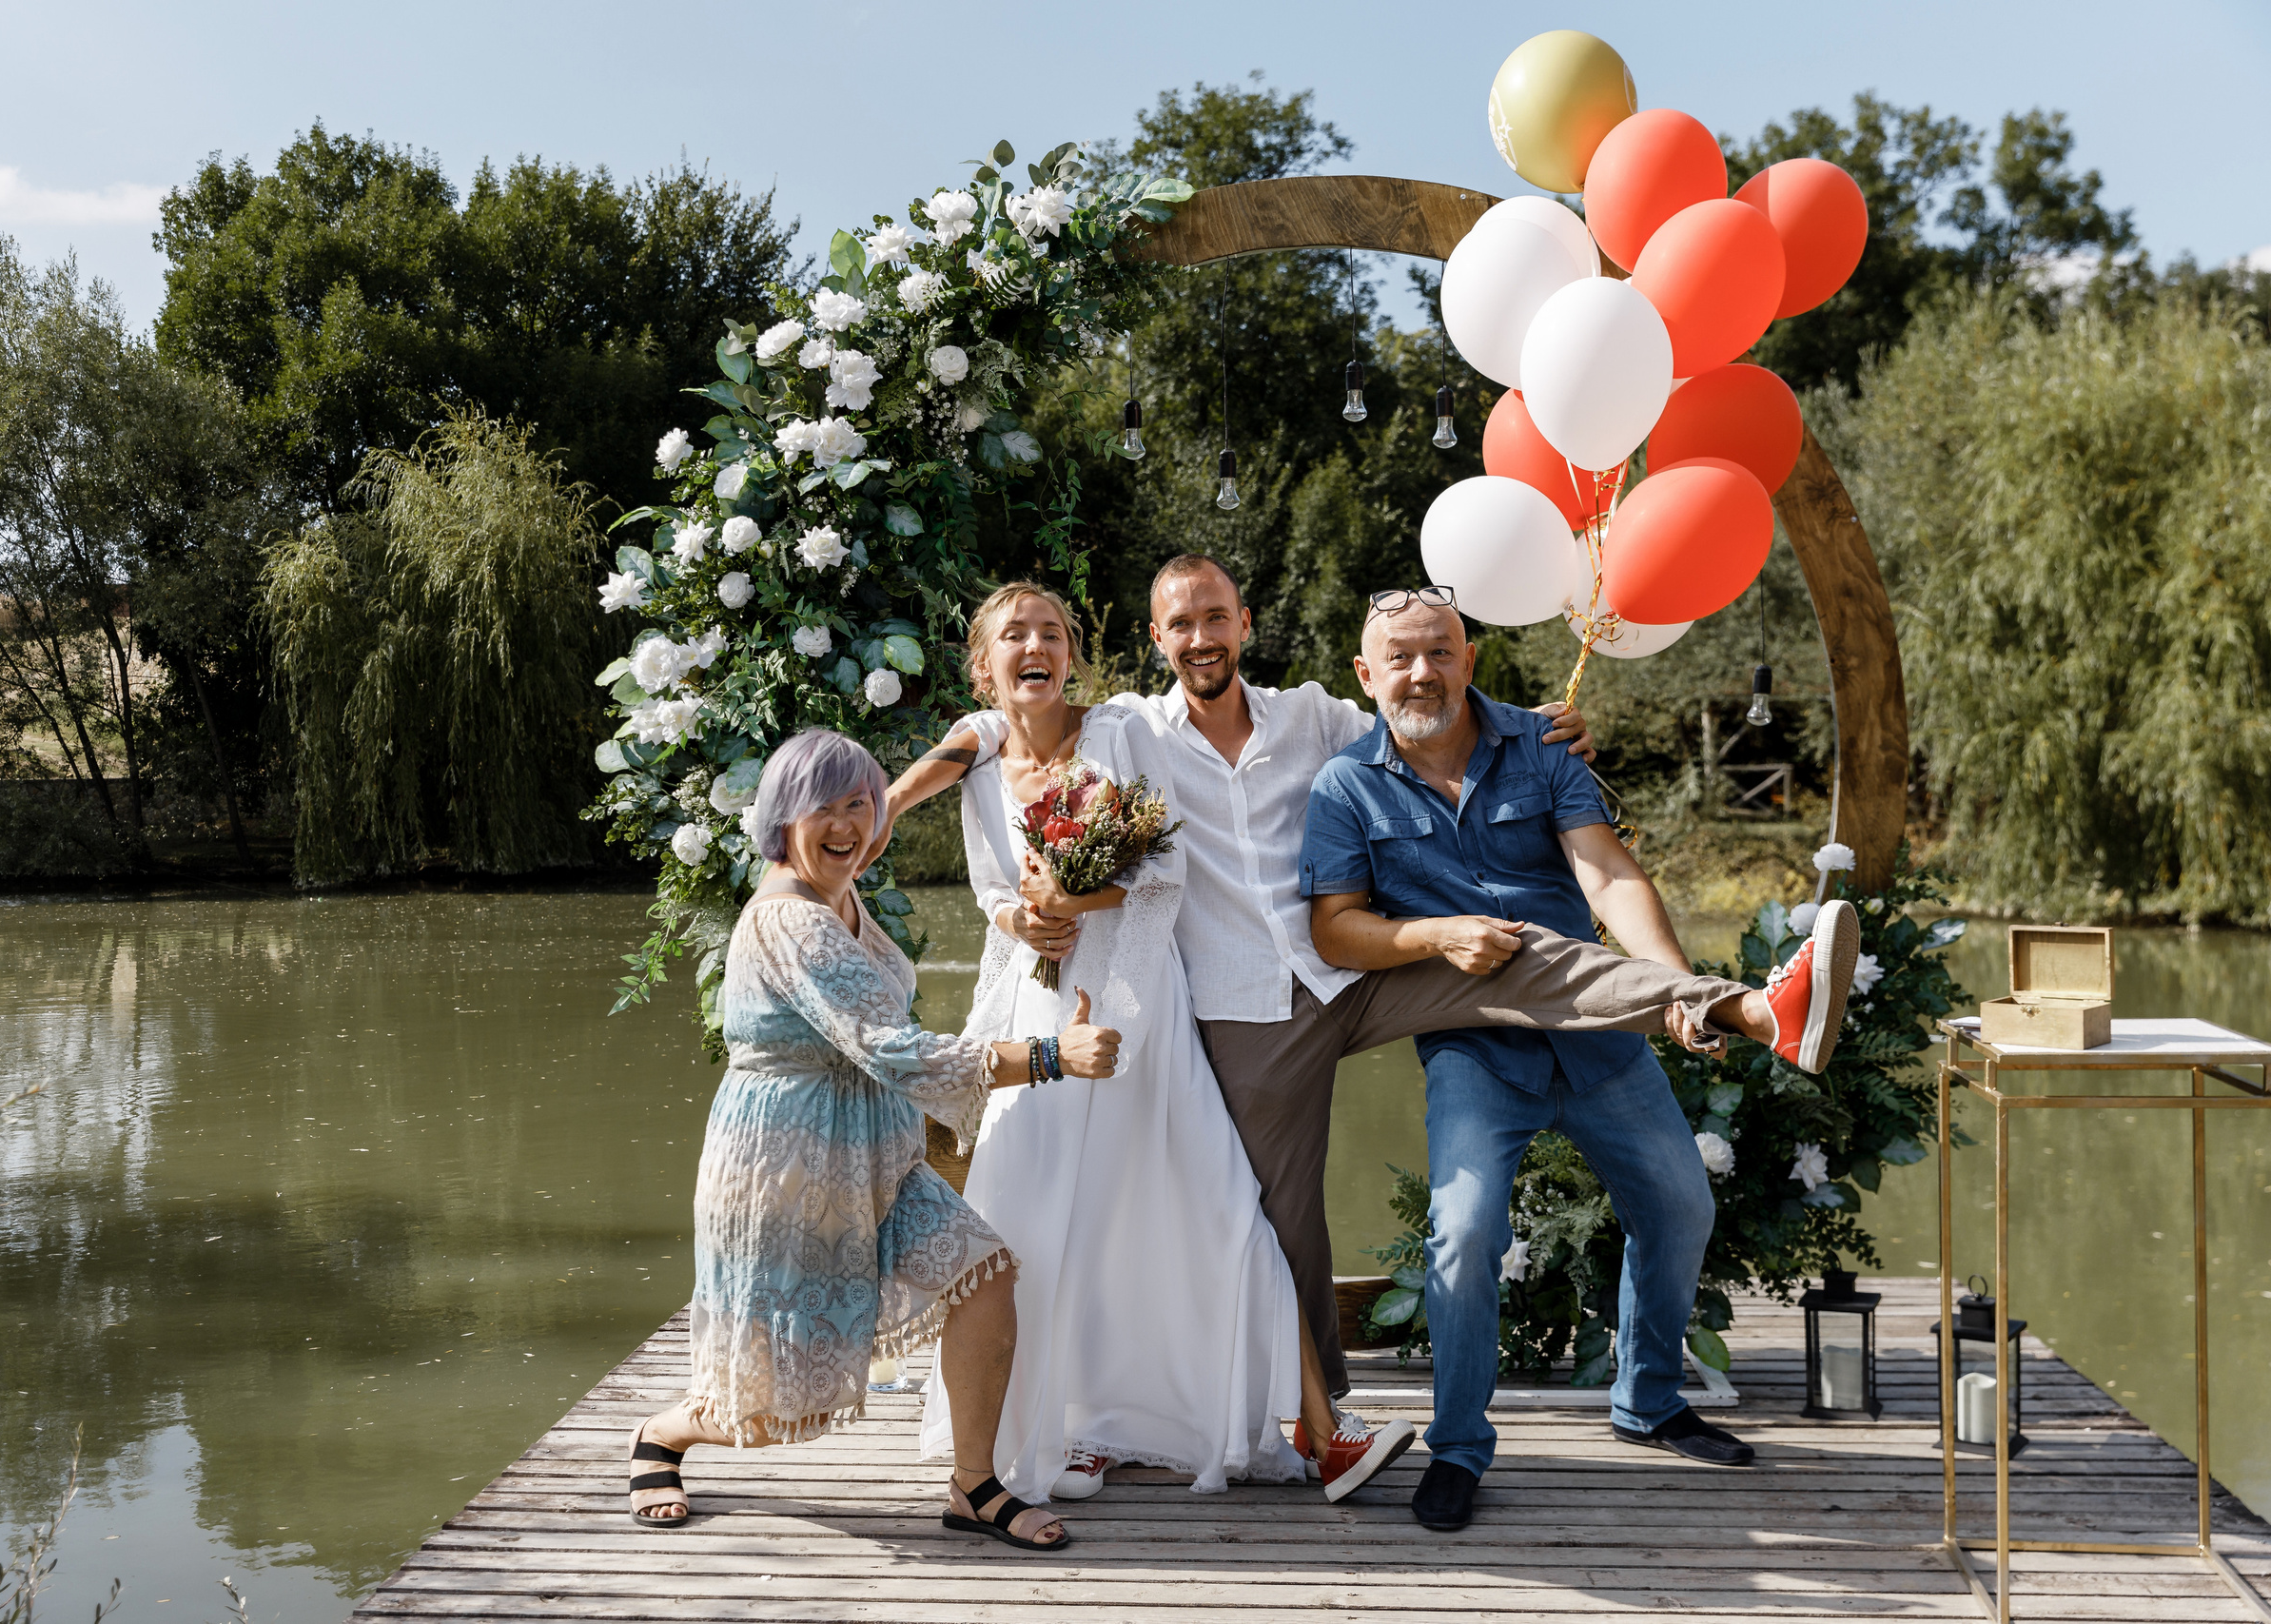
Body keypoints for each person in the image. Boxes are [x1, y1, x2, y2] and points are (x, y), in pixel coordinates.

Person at [896, 554, 1854, 1520]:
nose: (1200, 638)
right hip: (1243, 1005)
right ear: (1156, 641)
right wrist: (904, 809)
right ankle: (1330, 1428)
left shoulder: (1317, 717)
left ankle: (1732, 1006)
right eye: (1180, 625)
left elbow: (1429, 706)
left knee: (1523, 958)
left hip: (1358, 968)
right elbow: (995, 731)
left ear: (1245, 621)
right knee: (1276, 1218)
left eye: (1216, 617)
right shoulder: (1132, 731)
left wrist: (1539, 727)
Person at [1302, 587, 1860, 1531]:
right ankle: (1458, 1445)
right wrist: (1435, 935)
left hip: (1596, 1032)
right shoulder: (1343, 786)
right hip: (1477, 1048)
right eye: (1398, 657)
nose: (1419, 672)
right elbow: (1335, 931)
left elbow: (1607, 874)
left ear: (1468, 657)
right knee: (1465, 1234)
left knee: (1681, 1205)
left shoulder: (1539, 744)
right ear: (1365, 675)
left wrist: (1671, 993)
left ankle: (1647, 1400)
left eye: (1438, 651)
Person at [895, 583, 1361, 1505]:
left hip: (1143, 1005)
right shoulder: (979, 755)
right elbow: (990, 885)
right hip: (1041, 1018)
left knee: (1216, 1206)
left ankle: (1317, 1424)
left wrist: (1073, 899)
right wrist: (1021, 921)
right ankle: (1049, 1425)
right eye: (1015, 636)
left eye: (1054, 633)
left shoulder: (1118, 732)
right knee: (1033, 1217)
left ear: (1072, 655)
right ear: (984, 666)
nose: (1037, 645)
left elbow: (1166, 867)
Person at [625, 728, 1123, 1553]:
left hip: (878, 1157)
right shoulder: (792, 920)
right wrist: (1047, 1056)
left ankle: (974, 1485)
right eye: (825, 805)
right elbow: (891, 1047)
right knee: (771, 1402)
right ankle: (664, 1433)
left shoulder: (843, 894)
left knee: (983, 1273)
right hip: (789, 1166)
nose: (847, 822)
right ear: (784, 815)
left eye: (860, 802)